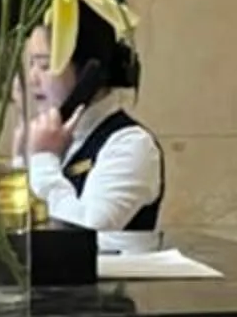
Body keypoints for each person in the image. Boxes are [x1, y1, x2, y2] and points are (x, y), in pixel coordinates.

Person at [22, 13, 165, 233]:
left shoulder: (130, 144)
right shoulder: (58, 138)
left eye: (45, 65)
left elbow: (87, 232)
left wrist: (44, 158)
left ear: (88, 73)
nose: (32, 78)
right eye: (31, 64)